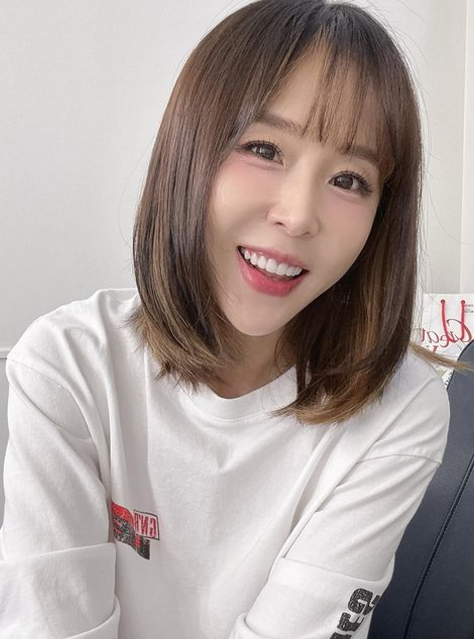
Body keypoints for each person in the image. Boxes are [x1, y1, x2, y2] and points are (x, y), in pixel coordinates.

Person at [0, 1, 453, 638]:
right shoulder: (69, 364)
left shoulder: (400, 408)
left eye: (351, 180)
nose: (299, 215)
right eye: (265, 148)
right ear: (189, 151)